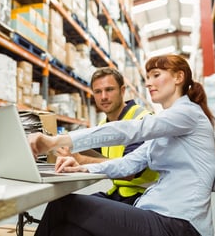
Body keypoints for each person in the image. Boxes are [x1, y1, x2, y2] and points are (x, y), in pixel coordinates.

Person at [28, 54, 215, 236]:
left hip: (179, 224)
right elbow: (129, 163)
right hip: (155, 213)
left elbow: (128, 130)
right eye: (148, 77)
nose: (148, 83)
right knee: (68, 232)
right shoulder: (167, 127)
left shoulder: (187, 114)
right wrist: (83, 168)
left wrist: (54, 141)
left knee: (62, 204)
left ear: (179, 77)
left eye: (156, 75)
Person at [57, 67, 158, 205]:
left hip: (142, 197)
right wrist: (67, 144)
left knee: (65, 207)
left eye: (109, 90)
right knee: (60, 204)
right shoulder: (104, 124)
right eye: (98, 92)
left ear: (122, 91)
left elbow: (129, 172)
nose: (103, 97)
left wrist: (80, 160)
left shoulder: (141, 120)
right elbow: (94, 151)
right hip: (118, 193)